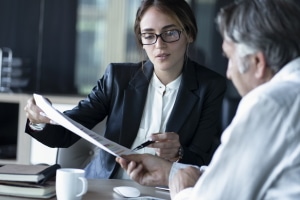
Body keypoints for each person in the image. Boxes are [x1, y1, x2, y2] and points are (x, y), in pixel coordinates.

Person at [116, 0, 300, 199]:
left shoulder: (269, 104)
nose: (229, 73)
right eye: (149, 35)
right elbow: (236, 177)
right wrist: (171, 173)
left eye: (230, 58)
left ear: (258, 62)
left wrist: (183, 192)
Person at [24, 0, 226, 179]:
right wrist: (38, 120)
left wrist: (178, 153)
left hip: (165, 191)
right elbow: (67, 133)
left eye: (170, 33)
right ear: (141, 41)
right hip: (106, 186)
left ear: (189, 34)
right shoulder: (117, 78)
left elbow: (203, 161)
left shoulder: (210, 86)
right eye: (149, 35)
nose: (159, 45)